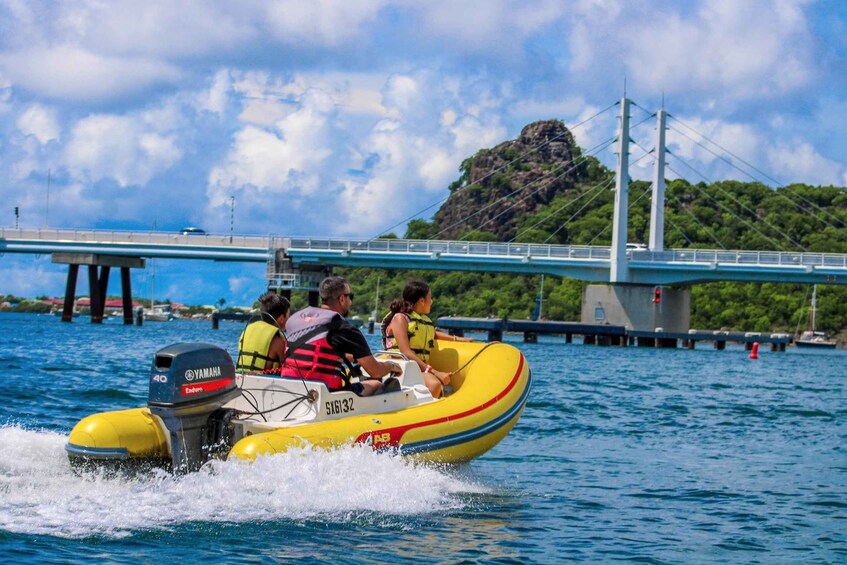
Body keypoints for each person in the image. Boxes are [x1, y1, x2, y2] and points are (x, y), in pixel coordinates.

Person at [281, 276, 401, 396]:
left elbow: (313, 350)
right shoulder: (344, 328)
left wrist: (346, 357)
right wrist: (391, 366)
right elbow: (375, 371)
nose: (351, 301)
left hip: (289, 387)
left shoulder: (296, 319)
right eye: (350, 296)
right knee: (376, 384)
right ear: (342, 299)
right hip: (323, 394)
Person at [381, 280, 473, 398]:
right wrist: (434, 372)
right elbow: (405, 352)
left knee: (438, 385)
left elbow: (433, 334)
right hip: (400, 367)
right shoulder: (400, 319)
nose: (432, 301)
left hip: (416, 368)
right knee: (434, 385)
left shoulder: (422, 321)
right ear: (422, 301)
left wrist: (458, 339)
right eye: (430, 297)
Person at [236, 292, 291, 372]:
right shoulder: (278, 340)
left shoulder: (248, 330)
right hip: (263, 381)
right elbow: (288, 367)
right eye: (288, 315)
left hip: (241, 378)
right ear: (282, 318)